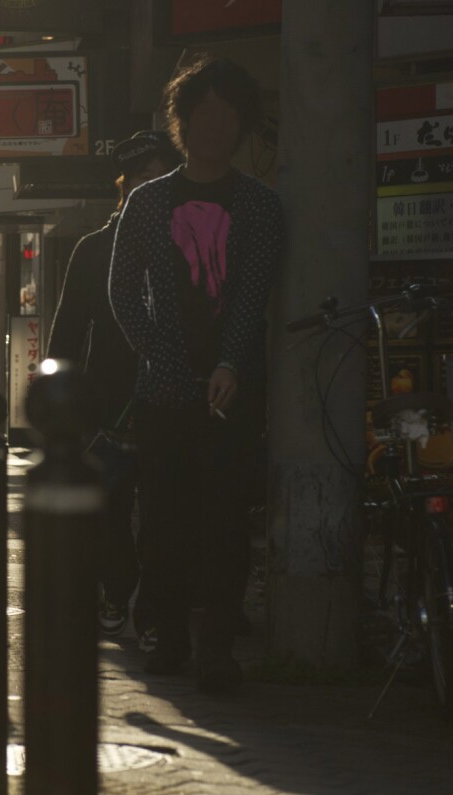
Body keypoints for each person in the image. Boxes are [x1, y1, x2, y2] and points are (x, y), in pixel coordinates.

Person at [108, 55, 284, 692]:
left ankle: (215, 644)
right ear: (182, 122)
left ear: (243, 125)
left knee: (226, 518)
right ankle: (168, 632)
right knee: (163, 517)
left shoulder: (261, 207)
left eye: (230, 114)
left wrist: (231, 363)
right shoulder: (149, 202)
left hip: (235, 392)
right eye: (205, 113)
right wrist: (161, 356)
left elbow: (252, 295)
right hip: (163, 391)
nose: (217, 126)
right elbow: (123, 290)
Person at [48, 130, 182, 646]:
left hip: (172, 395)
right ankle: (116, 585)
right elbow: (67, 330)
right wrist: (60, 401)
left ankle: (150, 612)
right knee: (108, 508)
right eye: (146, 179)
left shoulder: (183, 241)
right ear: (123, 186)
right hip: (107, 403)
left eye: (164, 178)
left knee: (166, 512)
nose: (156, 189)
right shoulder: (94, 248)